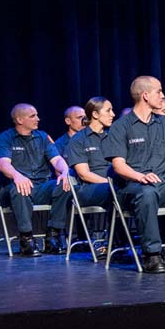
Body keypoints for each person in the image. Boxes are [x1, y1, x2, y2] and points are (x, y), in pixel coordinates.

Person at [103, 75, 165, 273]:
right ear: (145, 95)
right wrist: (140, 176)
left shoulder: (163, 123)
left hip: (162, 184)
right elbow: (118, 166)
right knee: (147, 192)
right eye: (159, 91)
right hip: (132, 187)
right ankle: (152, 254)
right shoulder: (121, 127)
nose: (163, 95)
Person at [0, 103, 72, 256]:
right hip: (13, 188)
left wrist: (65, 171)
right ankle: (26, 239)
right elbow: (3, 164)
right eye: (33, 116)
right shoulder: (5, 138)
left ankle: (53, 236)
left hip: (41, 187)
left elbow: (57, 160)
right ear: (19, 120)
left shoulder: (42, 137)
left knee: (65, 184)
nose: (38, 118)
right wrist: (17, 176)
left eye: (36, 115)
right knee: (20, 187)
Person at [64, 97, 115, 257]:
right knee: (110, 190)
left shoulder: (113, 136)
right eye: (108, 110)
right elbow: (83, 174)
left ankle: (120, 239)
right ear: (95, 114)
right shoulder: (79, 139)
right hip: (86, 189)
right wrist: (111, 183)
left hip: (112, 184)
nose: (113, 114)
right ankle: (99, 240)